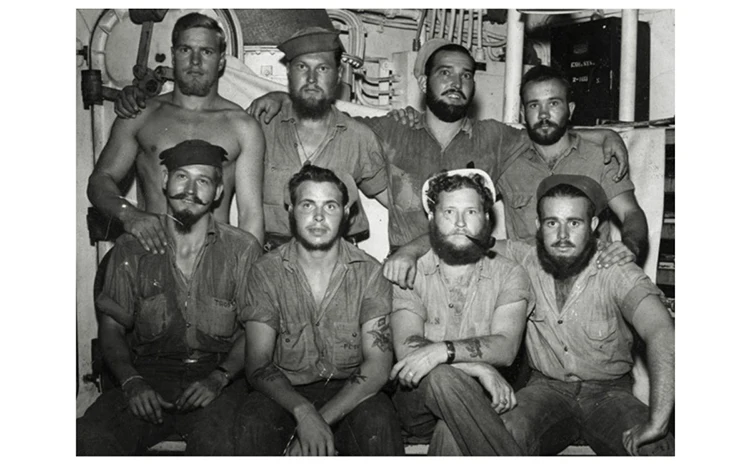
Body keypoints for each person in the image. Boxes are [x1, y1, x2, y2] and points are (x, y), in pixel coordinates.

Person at [246, 40, 631, 287]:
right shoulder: (389, 131)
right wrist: (285, 98)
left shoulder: (495, 137)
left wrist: (603, 134)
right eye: (445, 72)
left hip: (476, 278)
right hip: (406, 277)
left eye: (466, 75)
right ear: (423, 82)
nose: (456, 82)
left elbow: (545, 128)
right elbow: (330, 119)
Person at [115, 26, 389, 252]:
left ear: (338, 75)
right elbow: (196, 125)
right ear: (289, 72)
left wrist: (408, 248)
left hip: (338, 260)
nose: (311, 78)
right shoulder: (260, 125)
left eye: (323, 69)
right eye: (302, 67)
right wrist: (137, 99)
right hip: (272, 262)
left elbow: (396, 200)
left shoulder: (359, 137)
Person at [77, 139, 263, 455]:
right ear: (164, 180)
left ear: (218, 191)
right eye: (181, 177)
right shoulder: (131, 249)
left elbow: (255, 332)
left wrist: (219, 378)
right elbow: (111, 329)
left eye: (203, 181)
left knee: (223, 446)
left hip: (218, 380)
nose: (190, 190)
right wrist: (131, 382)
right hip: (148, 375)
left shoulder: (242, 250)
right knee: (89, 437)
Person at [494, 174, 674, 456]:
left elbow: (663, 332)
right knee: (496, 435)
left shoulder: (616, 269)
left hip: (610, 393)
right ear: (539, 226)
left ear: (592, 225)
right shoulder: (523, 258)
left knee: (656, 449)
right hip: (545, 390)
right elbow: (462, 241)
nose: (562, 235)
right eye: (552, 223)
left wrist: (657, 423)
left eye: (574, 223)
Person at [234, 165, 403, 456]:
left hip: (350, 391)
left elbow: (378, 365)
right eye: (307, 205)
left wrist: (319, 420)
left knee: (379, 421)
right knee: (253, 422)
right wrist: (303, 412)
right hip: (287, 393)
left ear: (346, 213)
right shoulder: (266, 272)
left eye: (330, 206)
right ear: (291, 210)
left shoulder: (370, 273)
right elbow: (258, 363)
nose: (319, 217)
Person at [89, 12, 265, 254]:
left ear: (221, 61)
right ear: (173, 55)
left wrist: (246, 272)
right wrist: (129, 215)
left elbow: (250, 214)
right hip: (153, 254)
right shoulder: (141, 115)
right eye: (185, 50)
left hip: (214, 260)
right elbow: (100, 179)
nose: (195, 61)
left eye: (206, 52)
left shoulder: (243, 126)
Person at [389, 169, 533, 455]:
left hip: (482, 401)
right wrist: (477, 367)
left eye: (471, 212)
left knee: (452, 433)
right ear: (432, 219)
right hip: (418, 399)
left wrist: (441, 351)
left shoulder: (509, 273)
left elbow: (505, 348)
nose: (459, 223)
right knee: (442, 377)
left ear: (486, 219)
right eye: (449, 212)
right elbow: (408, 351)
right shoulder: (411, 272)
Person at [496, 64, 649, 267]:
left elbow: (631, 213)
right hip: (527, 278)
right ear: (523, 113)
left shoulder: (600, 158)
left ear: (570, 109)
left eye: (553, 103)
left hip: (590, 276)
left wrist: (630, 245)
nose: (543, 115)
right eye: (534, 105)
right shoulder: (506, 162)